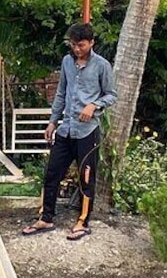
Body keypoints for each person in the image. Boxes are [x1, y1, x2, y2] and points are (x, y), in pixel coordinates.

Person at [21, 22, 118, 240]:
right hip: (66, 129)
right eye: (73, 45)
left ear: (92, 43)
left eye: (81, 45)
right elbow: (61, 92)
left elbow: (111, 95)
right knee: (52, 173)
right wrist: (53, 121)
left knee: (86, 177)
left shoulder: (102, 65)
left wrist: (94, 105)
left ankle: (83, 222)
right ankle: (46, 218)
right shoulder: (67, 62)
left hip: (88, 131)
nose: (76, 49)